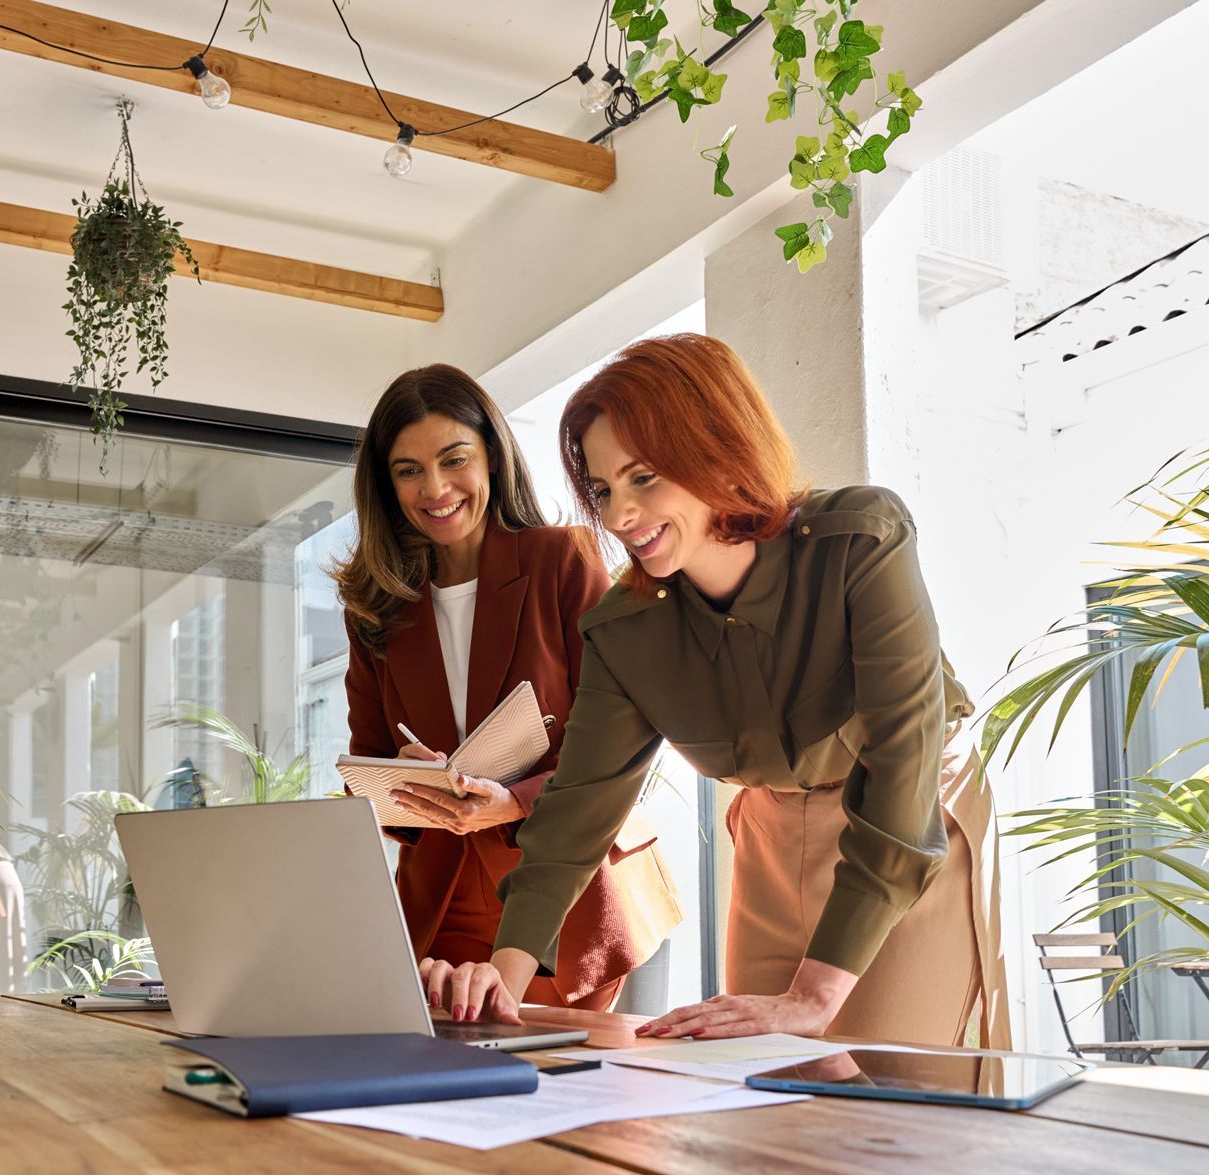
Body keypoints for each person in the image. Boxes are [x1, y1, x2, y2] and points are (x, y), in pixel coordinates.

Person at [420, 334, 1010, 1047]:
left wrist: (813, 995)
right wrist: (500, 982)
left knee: (907, 1101)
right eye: (604, 490)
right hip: (768, 833)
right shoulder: (626, 630)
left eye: (642, 478)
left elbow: (902, 765)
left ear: (716, 448)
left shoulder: (860, 544)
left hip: (909, 826)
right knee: (761, 1098)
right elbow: (576, 815)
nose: (617, 515)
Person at [334, 364, 681, 1013]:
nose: (434, 488)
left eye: (452, 458)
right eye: (407, 470)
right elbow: (366, 771)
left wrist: (513, 799)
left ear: (491, 454)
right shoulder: (375, 608)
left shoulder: (562, 561)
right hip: (444, 903)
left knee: (562, 1098)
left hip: (566, 890)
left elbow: (623, 740)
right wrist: (400, 782)